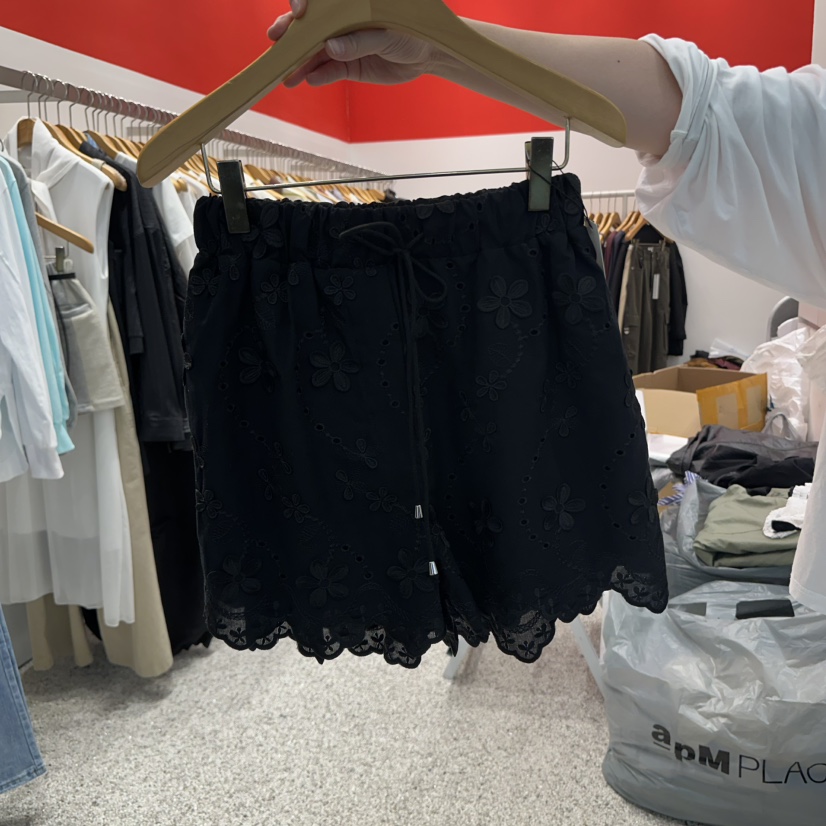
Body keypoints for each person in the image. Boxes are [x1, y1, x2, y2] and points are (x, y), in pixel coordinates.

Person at [268, 1, 826, 615]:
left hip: (511, 266)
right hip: (288, 287)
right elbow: (703, 113)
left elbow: (706, 115)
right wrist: (434, 42)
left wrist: (437, 44)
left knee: (520, 506)